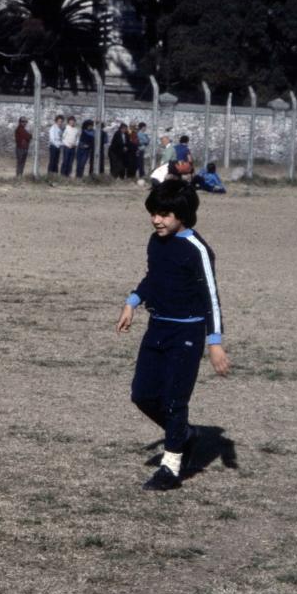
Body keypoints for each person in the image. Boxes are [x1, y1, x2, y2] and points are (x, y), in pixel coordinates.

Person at [116, 180, 230, 491]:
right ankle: (186, 435)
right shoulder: (156, 242)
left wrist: (214, 342)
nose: (156, 220)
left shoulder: (198, 250)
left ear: (182, 214)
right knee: (142, 394)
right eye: (153, 213)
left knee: (174, 400)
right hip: (158, 328)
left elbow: (211, 297)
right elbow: (154, 277)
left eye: (164, 214)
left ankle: (171, 468)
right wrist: (133, 301)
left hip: (187, 333)